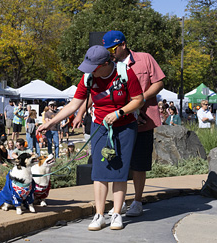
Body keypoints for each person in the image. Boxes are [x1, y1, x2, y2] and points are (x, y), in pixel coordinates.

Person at [37, 45, 144, 230]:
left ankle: (117, 213)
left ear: (105, 64)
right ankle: (99, 215)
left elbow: (138, 99)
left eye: (93, 68)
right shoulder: (88, 77)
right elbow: (73, 105)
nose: (89, 72)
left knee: (119, 171)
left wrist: (119, 113)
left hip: (125, 126)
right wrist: (51, 122)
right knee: (99, 172)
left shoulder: (125, 73)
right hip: (100, 126)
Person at [101, 30, 165, 217]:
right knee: (118, 162)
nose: (110, 53)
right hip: (118, 121)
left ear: (123, 44)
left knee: (139, 163)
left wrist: (140, 100)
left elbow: (159, 82)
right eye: (107, 50)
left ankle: (137, 201)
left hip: (144, 119)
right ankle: (118, 203)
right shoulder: (108, 64)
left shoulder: (145, 59)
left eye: (112, 48)